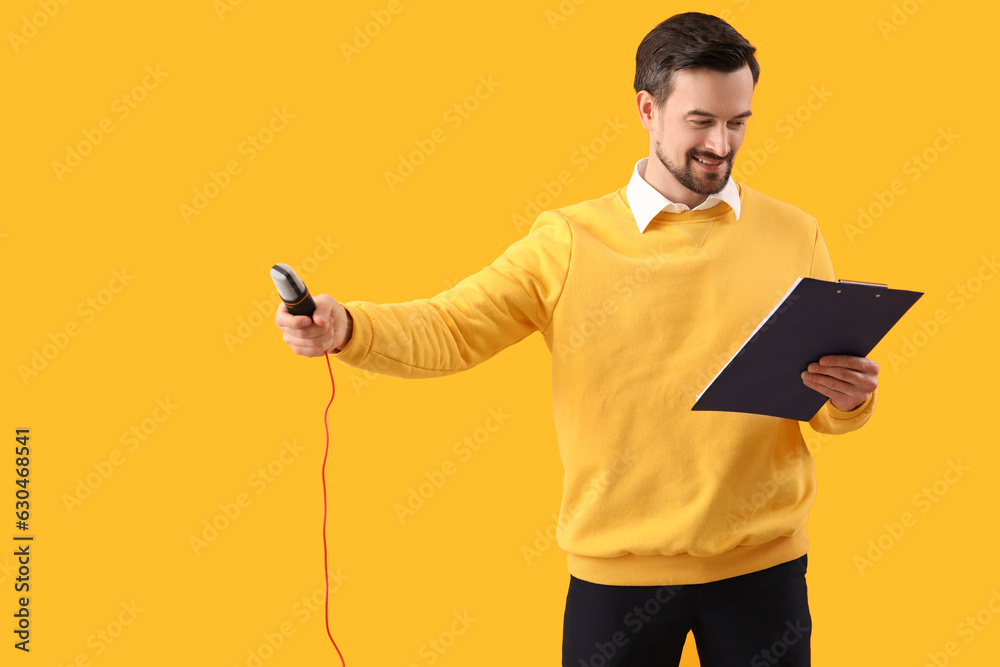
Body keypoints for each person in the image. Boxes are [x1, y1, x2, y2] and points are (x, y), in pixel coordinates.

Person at [274, 12, 879, 667]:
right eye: (700, 121)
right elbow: (450, 328)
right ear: (648, 109)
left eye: (738, 122)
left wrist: (848, 400)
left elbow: (818, 395)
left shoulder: (795, 233)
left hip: (763, 573)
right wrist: (350, 327)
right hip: (615, 579)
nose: (721, 143)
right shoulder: (567, 241)